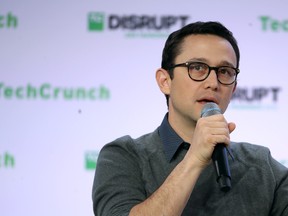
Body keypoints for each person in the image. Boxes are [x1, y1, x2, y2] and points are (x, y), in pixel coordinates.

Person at [92, 21, 288, 216]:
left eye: (225, 72)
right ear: (165, 81)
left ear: (234, 88)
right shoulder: (124, 156)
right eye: (197, 67)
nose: (213, 83)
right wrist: (194, 159)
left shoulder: (263, 167)